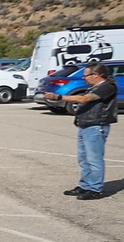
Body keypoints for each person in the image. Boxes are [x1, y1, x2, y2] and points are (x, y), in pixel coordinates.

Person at [46, 61, 116, 200]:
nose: (84, 78)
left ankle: (95, 189)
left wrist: (59, 97)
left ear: (96, 75)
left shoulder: (107, 87)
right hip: (85, 125)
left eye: (86, 75)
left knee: (94, 159)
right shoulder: (94, 87)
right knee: (84, 159)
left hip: (96, 126)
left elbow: (84, 99)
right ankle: (85, 185)